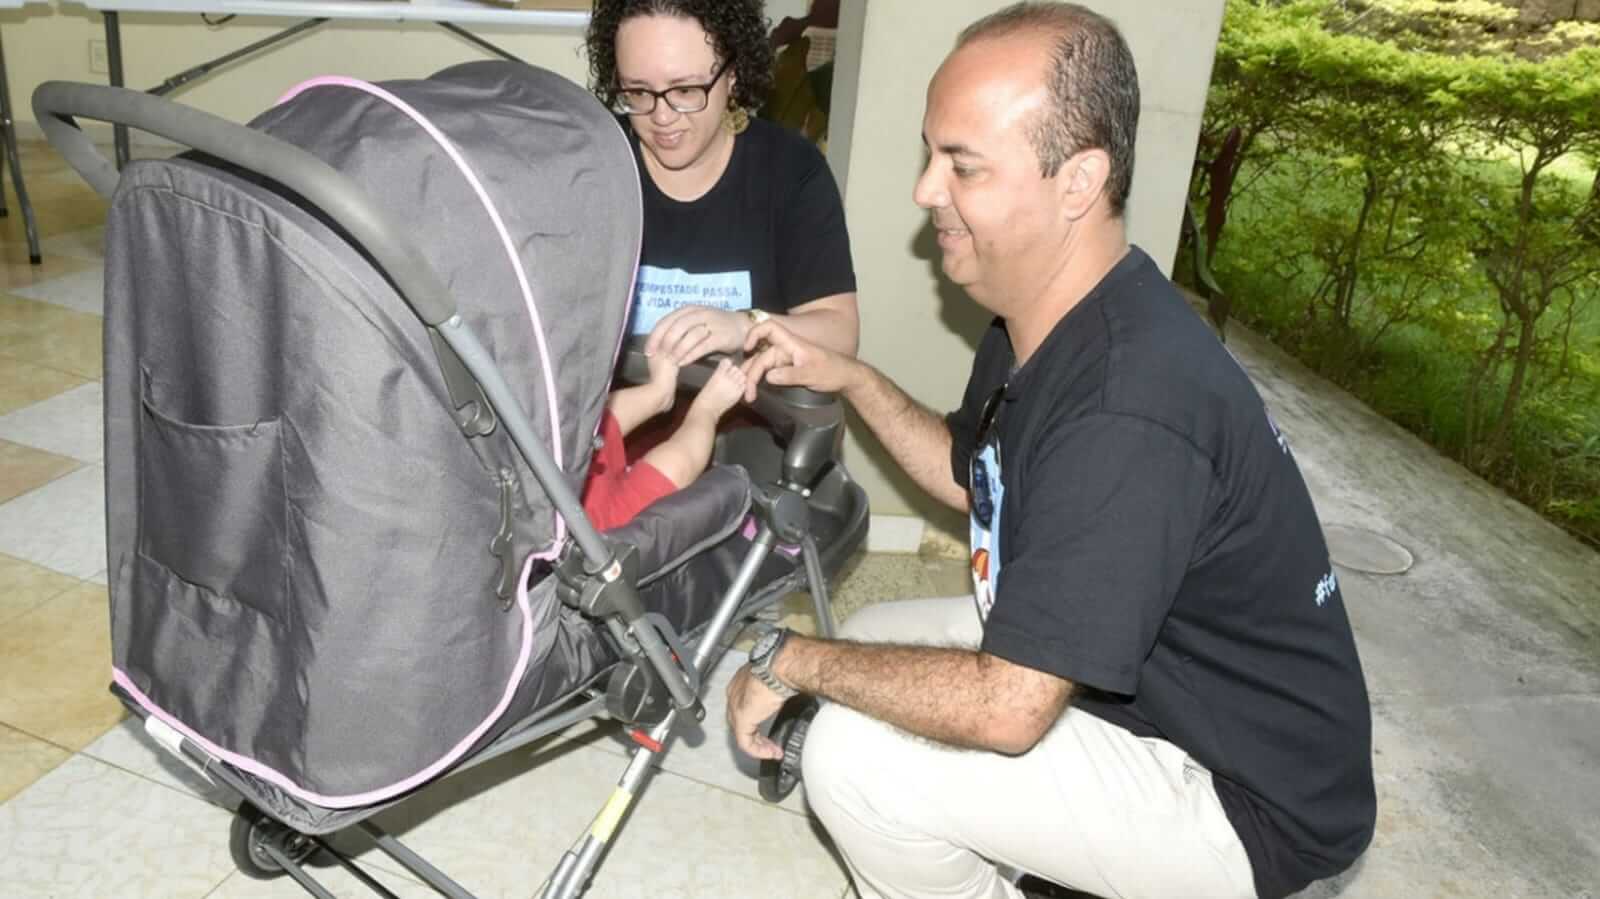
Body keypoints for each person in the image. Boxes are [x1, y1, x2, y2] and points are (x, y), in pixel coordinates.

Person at [726, 4, 1377, 899]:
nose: (924, 189)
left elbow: (1007, 707)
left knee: (856, 755)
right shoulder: (1045, 314)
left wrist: (787, 659)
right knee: (872, 647)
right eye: (931, 153)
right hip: (1150, 688)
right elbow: (973, 476)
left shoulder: (1131, 405)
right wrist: (851, 376)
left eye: (963, 165)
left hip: (1245, 806)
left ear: (1079, 181)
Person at [584, 0, 859, 371]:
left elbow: (840, 334)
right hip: (614, 425)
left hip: (746, 420)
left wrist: (743, 326)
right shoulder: (593, 165)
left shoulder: (790, 171)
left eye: (685, 91)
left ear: (733, 75)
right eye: (638, 92)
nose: (661, 117)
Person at [582, 352, 747, 531]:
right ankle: (708, 409)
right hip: (587, 530)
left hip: (562, 474)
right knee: (675, 467)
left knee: (588, 425)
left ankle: (659, 393)